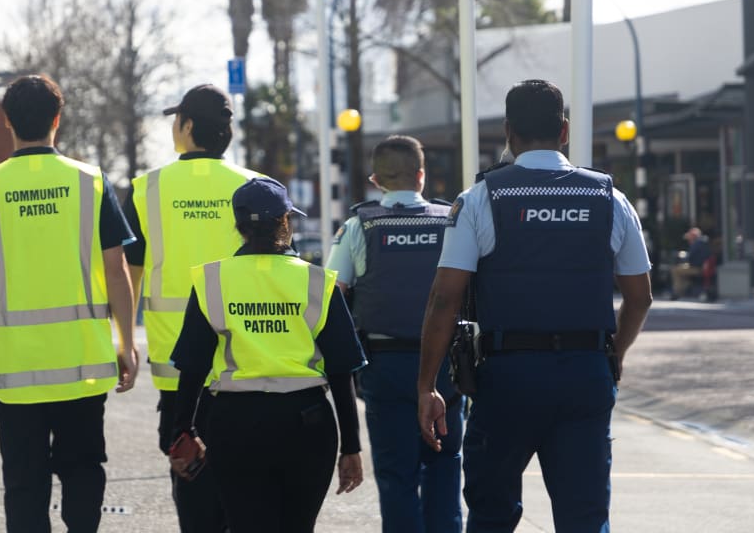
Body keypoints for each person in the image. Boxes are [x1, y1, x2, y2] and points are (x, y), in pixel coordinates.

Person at [417, 79, 653, 533]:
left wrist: (428, 385)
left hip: (507, 378)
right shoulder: (609, 198)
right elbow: (639, 297)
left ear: (508, 131)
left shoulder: (481, 198)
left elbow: (445, 298)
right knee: (585, 517)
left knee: (491, 512)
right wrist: (613, 354)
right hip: (585, 374)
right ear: (564, 131)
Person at [0, 74, 138, 533]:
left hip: (17, 372)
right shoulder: (90, 182)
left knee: (24, 483)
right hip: (82, 364)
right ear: (58, 119)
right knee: (83, 468)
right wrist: (127, 343)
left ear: (7, 121)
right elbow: (117, 270)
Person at [169, 177, 366, 533]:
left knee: (246, 523)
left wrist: (182, 429)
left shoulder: (212, 280)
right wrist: (351, 447)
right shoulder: (317, 281)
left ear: (239, 226)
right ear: (285, 221)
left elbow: (192, 366)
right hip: (306, 424)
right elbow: (341, 370)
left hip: (234, 424)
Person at [123, 83, 259, 531]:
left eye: (174, 122)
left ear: (185, 126)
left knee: (192, 483)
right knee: (242, 488)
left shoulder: (146, 190)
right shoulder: (255, 188)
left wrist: (124, 340)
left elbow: (130, 273)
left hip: (177, 367)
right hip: (247, 362)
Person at [326, 135, 462, 533]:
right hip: (444, 368)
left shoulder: (358, 227)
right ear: (422, 175)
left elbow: (332, 296)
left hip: (384, 367)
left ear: (375, 179)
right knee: (445, 470)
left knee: (395, 475)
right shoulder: (450, 221)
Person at [670, 226, 713, 299]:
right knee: (681, 269)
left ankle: (677, 292)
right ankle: (683, 288)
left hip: (697, 268)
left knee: (675, 270)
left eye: (690, 237)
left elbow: (690, 258)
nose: (688, 240)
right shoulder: (702, 243)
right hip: (699, 267)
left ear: (693, 237)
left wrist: (683, 256)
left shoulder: (697, 244)